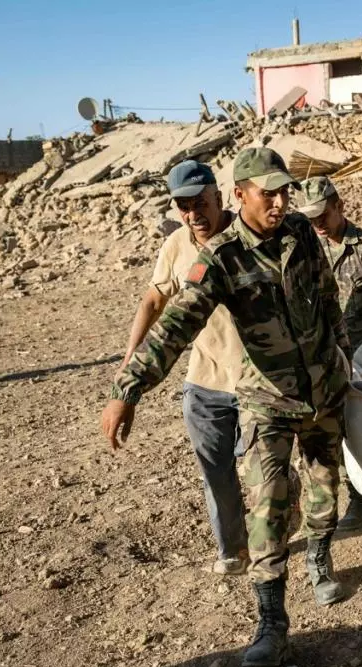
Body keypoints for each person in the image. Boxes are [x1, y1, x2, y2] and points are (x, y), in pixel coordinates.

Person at [101, 148, 353, 667]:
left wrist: (343, 349)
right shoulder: (220, 258)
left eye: (285, 191)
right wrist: (128, 388)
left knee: (326, 495)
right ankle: (271, 621)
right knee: (268, 504)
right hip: (266, 399)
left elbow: (326, 293)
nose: (282, 202)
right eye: (269, 193)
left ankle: (320, 552)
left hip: (323, 391)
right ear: (239, 196)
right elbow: (174, 326)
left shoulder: (300, 233)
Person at [116, 160, 248, 575]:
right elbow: (153, 302)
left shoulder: (249, 234)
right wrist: (130, 362)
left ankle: (281, 514)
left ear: (219, 198)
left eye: (201, 203)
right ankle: (234, 551)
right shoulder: (176, 246)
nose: (194, 214)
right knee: (216, 472)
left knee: (261, 471)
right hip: (205, 381)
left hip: (257, 382)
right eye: (184, 206)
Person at [296, 176, 362, 532]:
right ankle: (350, 492)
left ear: (339, 206)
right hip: (325, 355)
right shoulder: (308, 249)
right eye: (310, 219)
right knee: (331, 432)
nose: (318, 224)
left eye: (322, 214)